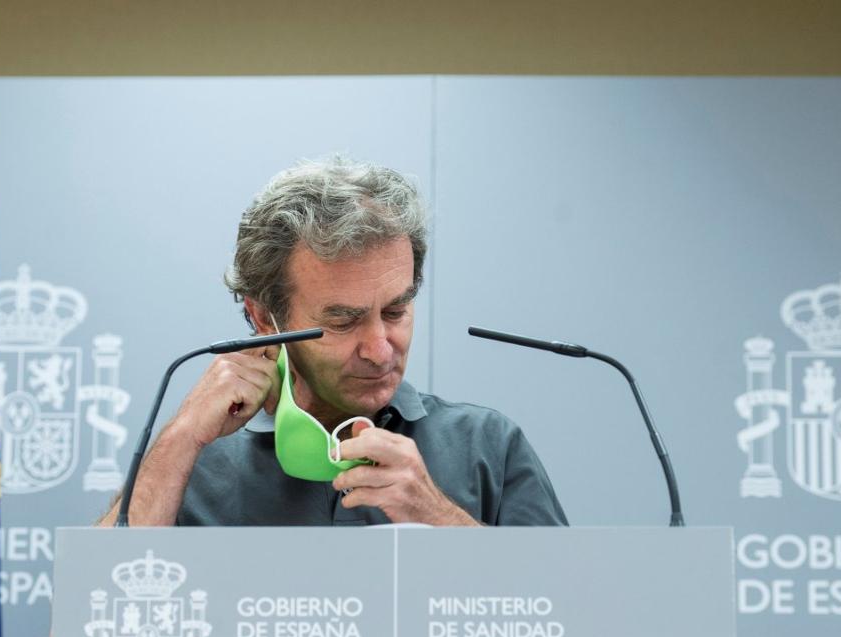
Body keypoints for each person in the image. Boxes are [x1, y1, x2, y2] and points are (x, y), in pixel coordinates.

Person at [99, 157, 566, 527]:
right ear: (264, 317)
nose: (381, 350)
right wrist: (182, 439)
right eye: (343, 321)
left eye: (396, 311)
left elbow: (577, 627)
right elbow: (86, 628)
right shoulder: (194, 467)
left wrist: (439, 519)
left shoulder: (487, 445)